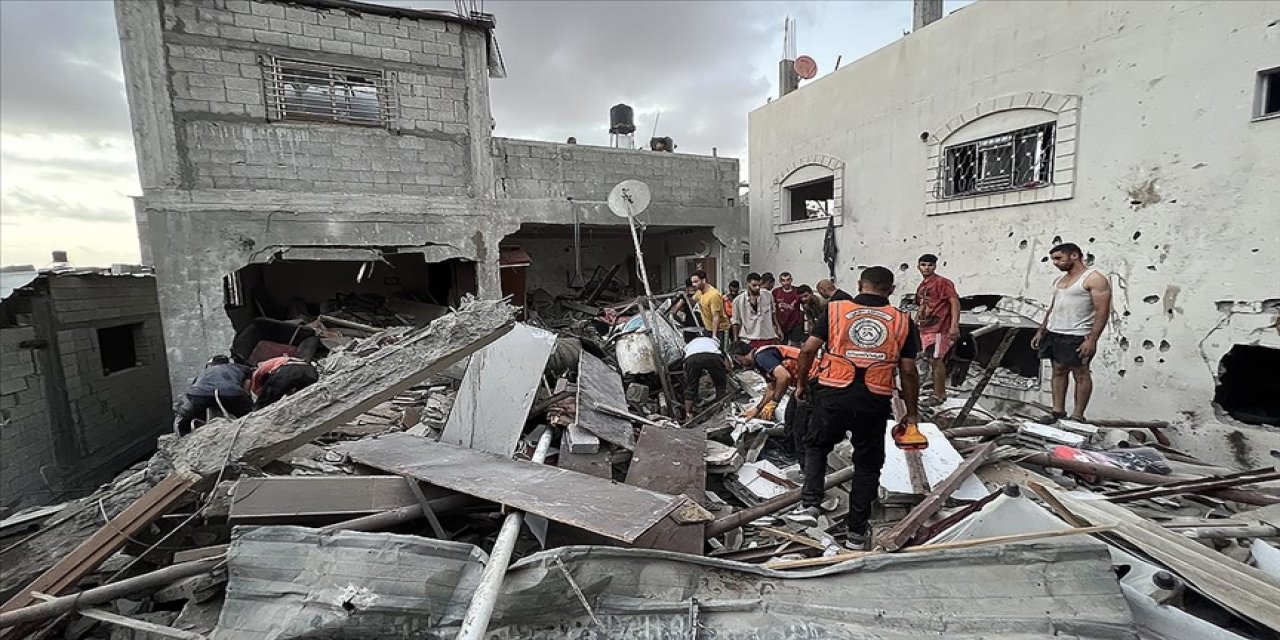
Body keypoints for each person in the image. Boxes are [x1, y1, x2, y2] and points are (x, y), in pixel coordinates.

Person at [791, 266, 921, 548]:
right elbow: (909, 371)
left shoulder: (836, 310)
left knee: (816, 444)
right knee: (867, 465)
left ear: (860, 284)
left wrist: (801, 384)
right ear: (892, 289)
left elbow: (808, 350)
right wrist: (911, 413)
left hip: (833, 393)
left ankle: (810, 504)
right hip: (874, 400)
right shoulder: (902, 320)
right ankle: (856, 533)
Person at [1032, 243, 1112, 421]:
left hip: (1078, 334)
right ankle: (1057, 411)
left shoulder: (1094, 279)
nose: (1055, 263)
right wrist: (1041, 330)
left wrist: (1092, 340)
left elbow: (1102, 311)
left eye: (1059, 258)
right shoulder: (1060, 280)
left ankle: (1078, 415)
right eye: (1053, 259)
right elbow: (1053, 307)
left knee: (1080, 373)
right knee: (1058, 371)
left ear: (1074, 256)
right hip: (1055, 332)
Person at [730, 341, 821, 464]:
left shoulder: (762, 356)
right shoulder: (761, 361)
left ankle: (802, 461)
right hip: (806, 382)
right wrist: (757, 409)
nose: (739, 363)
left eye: (737, 360)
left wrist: (774, 402)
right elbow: (771, 389)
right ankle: (789, 452)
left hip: (815, 379)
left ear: (738, 357)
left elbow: (784, 377)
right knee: (790, 417)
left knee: (799, 422)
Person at [915, 254, 961, 406]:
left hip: (940, 328)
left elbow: (954, 303)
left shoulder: (943, 283)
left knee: (936, 359)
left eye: (930, 265)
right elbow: (922, 305)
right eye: (923, 264)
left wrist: (954, 325)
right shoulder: (922, 286)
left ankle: (938, 395)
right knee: (929, 359)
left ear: (935, 266)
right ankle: (937, 392)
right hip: (926, 327)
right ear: (918, 266)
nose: (926, 268)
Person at [174, 355, 253, 435]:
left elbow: (193, 387)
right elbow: (247, 387)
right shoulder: (242, 368)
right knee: (248, 415)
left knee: (189, 418)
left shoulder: (204, 371)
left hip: (200, 395)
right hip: (230, 393)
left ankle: (184, 435)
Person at [682, 333, 729, 418]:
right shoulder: (713, 341)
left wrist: (688, 379)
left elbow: (685, 364)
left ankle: (688, 414)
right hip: (712, 355)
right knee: (720, 385)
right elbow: (725, 360)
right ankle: (721, 409)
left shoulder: (689, 344)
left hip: (692, 357)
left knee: (691, 387)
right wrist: (728, 373)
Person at [731, 272, 781, 349]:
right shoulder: (738, 300)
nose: (757, 288)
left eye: (759, 285)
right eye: (754, 285)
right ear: (748, 284)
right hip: (748, 338)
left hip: (767, 336)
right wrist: (735, 340)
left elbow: (773, 313)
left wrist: (778, 328)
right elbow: (735, 322)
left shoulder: (768, 295)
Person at [251, 355, 320, 409]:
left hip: (288, 370)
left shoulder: (256, 374)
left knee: (263, 404)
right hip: (311, 372)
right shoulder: (274, 361)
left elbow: (258, 391)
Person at [687, 271, 730, 344]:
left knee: (719, 352)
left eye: (696, 282)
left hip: (719, 330)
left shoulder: (714, 295)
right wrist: (684, 297)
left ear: (703, 280)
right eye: (692, 282)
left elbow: (716, 316)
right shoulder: (699, 292)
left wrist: (714, 335)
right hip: (708, 328)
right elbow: (692, 302)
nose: (694, 284)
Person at [773, 272, 805, 346]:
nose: (786, 282)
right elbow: (772, 309)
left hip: (795, 323)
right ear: (780, 281)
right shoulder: (776, 292)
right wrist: (775, 325)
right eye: (783, 280)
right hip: (781, 323)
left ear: (791, 280)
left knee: (795, 346)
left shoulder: (797, 291)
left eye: (788, 280)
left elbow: (804, 304)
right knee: (782, 346)